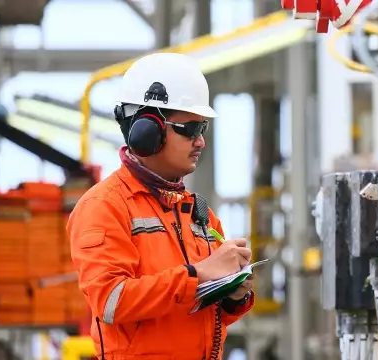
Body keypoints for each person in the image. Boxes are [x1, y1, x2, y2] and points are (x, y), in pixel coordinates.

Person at [67, 52, 255, 360]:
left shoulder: (199, 215)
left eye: (203, 128)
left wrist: (232, 293)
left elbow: (200, 318)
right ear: (148, 131)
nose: (200, 142)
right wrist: (199, 273)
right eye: (190, 129)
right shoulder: (104, 206)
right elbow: (112, 301)